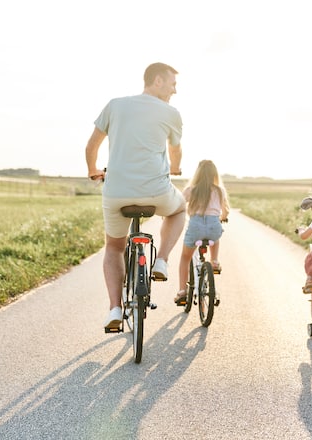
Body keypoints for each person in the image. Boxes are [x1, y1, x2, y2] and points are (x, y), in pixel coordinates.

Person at [85, 62, 186, 330]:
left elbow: (92, 145)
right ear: (157, 81)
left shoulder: (115, 105)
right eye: (172, 84)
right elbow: (176, 152)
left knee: (115, 248)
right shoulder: (171, 113)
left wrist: (92, 171)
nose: (175, 91)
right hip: (157, 192)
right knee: (178, 210)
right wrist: (174, 168)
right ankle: (161, 260)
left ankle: (115, 309)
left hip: (116, 192)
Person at [174, 160, 230, 305]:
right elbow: (225, 211)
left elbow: (178, 205)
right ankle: (215, 261)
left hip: (195, 227)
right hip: (213, 227)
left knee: (185, 257)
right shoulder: (219, 190)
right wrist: (223, 218)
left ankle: (182, 291)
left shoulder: (191, 190)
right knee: (215, 236)